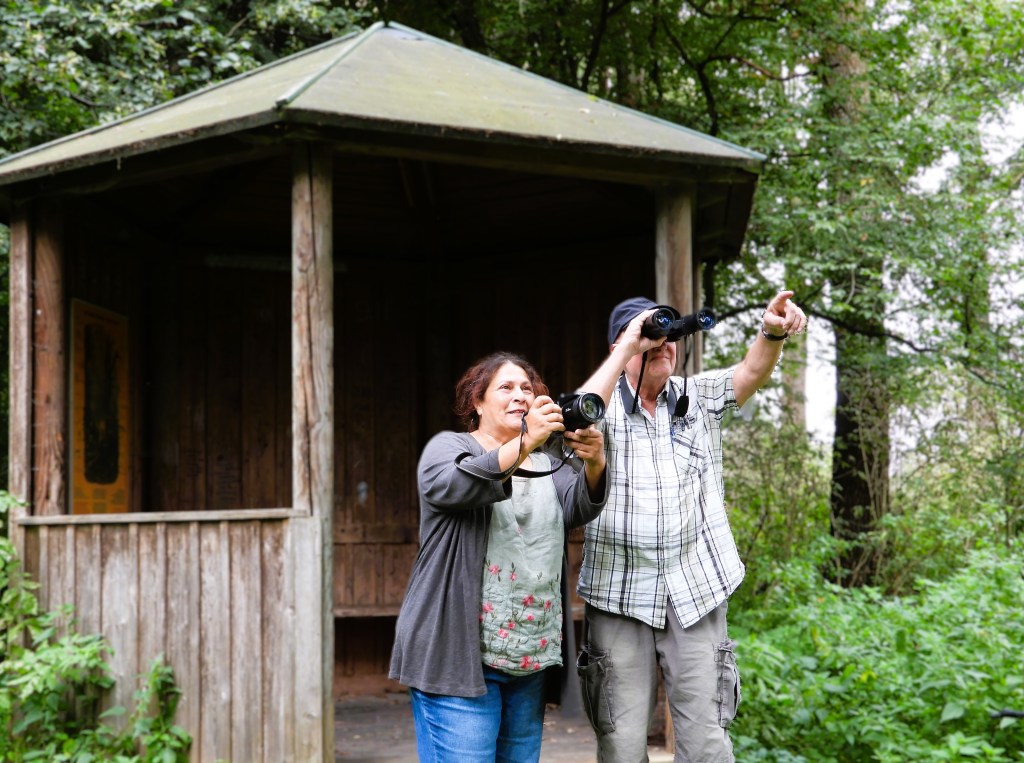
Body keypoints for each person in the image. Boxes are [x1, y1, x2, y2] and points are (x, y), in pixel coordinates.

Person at [575, 291, 807, 763]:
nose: (663, 346)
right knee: (619, 745)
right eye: (649, 339)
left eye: (669, 338)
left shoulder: (697, 396)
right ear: (623, 347)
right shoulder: (602, 407)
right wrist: (628, 348)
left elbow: (751, 372)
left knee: (706, 744)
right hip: (619, 593)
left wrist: (773, 332)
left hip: (695, 588)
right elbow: (578, 414)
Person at [389, 351, 609, 763]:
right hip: (457, 658)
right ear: (477, 402)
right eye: (505, 387)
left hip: (529, 657)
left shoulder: (548, 463)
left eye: (527, 388)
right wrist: (526, 442)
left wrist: (594, 461)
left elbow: (580, 507)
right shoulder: (450, 448)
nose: (519, 396)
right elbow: (457, 486)